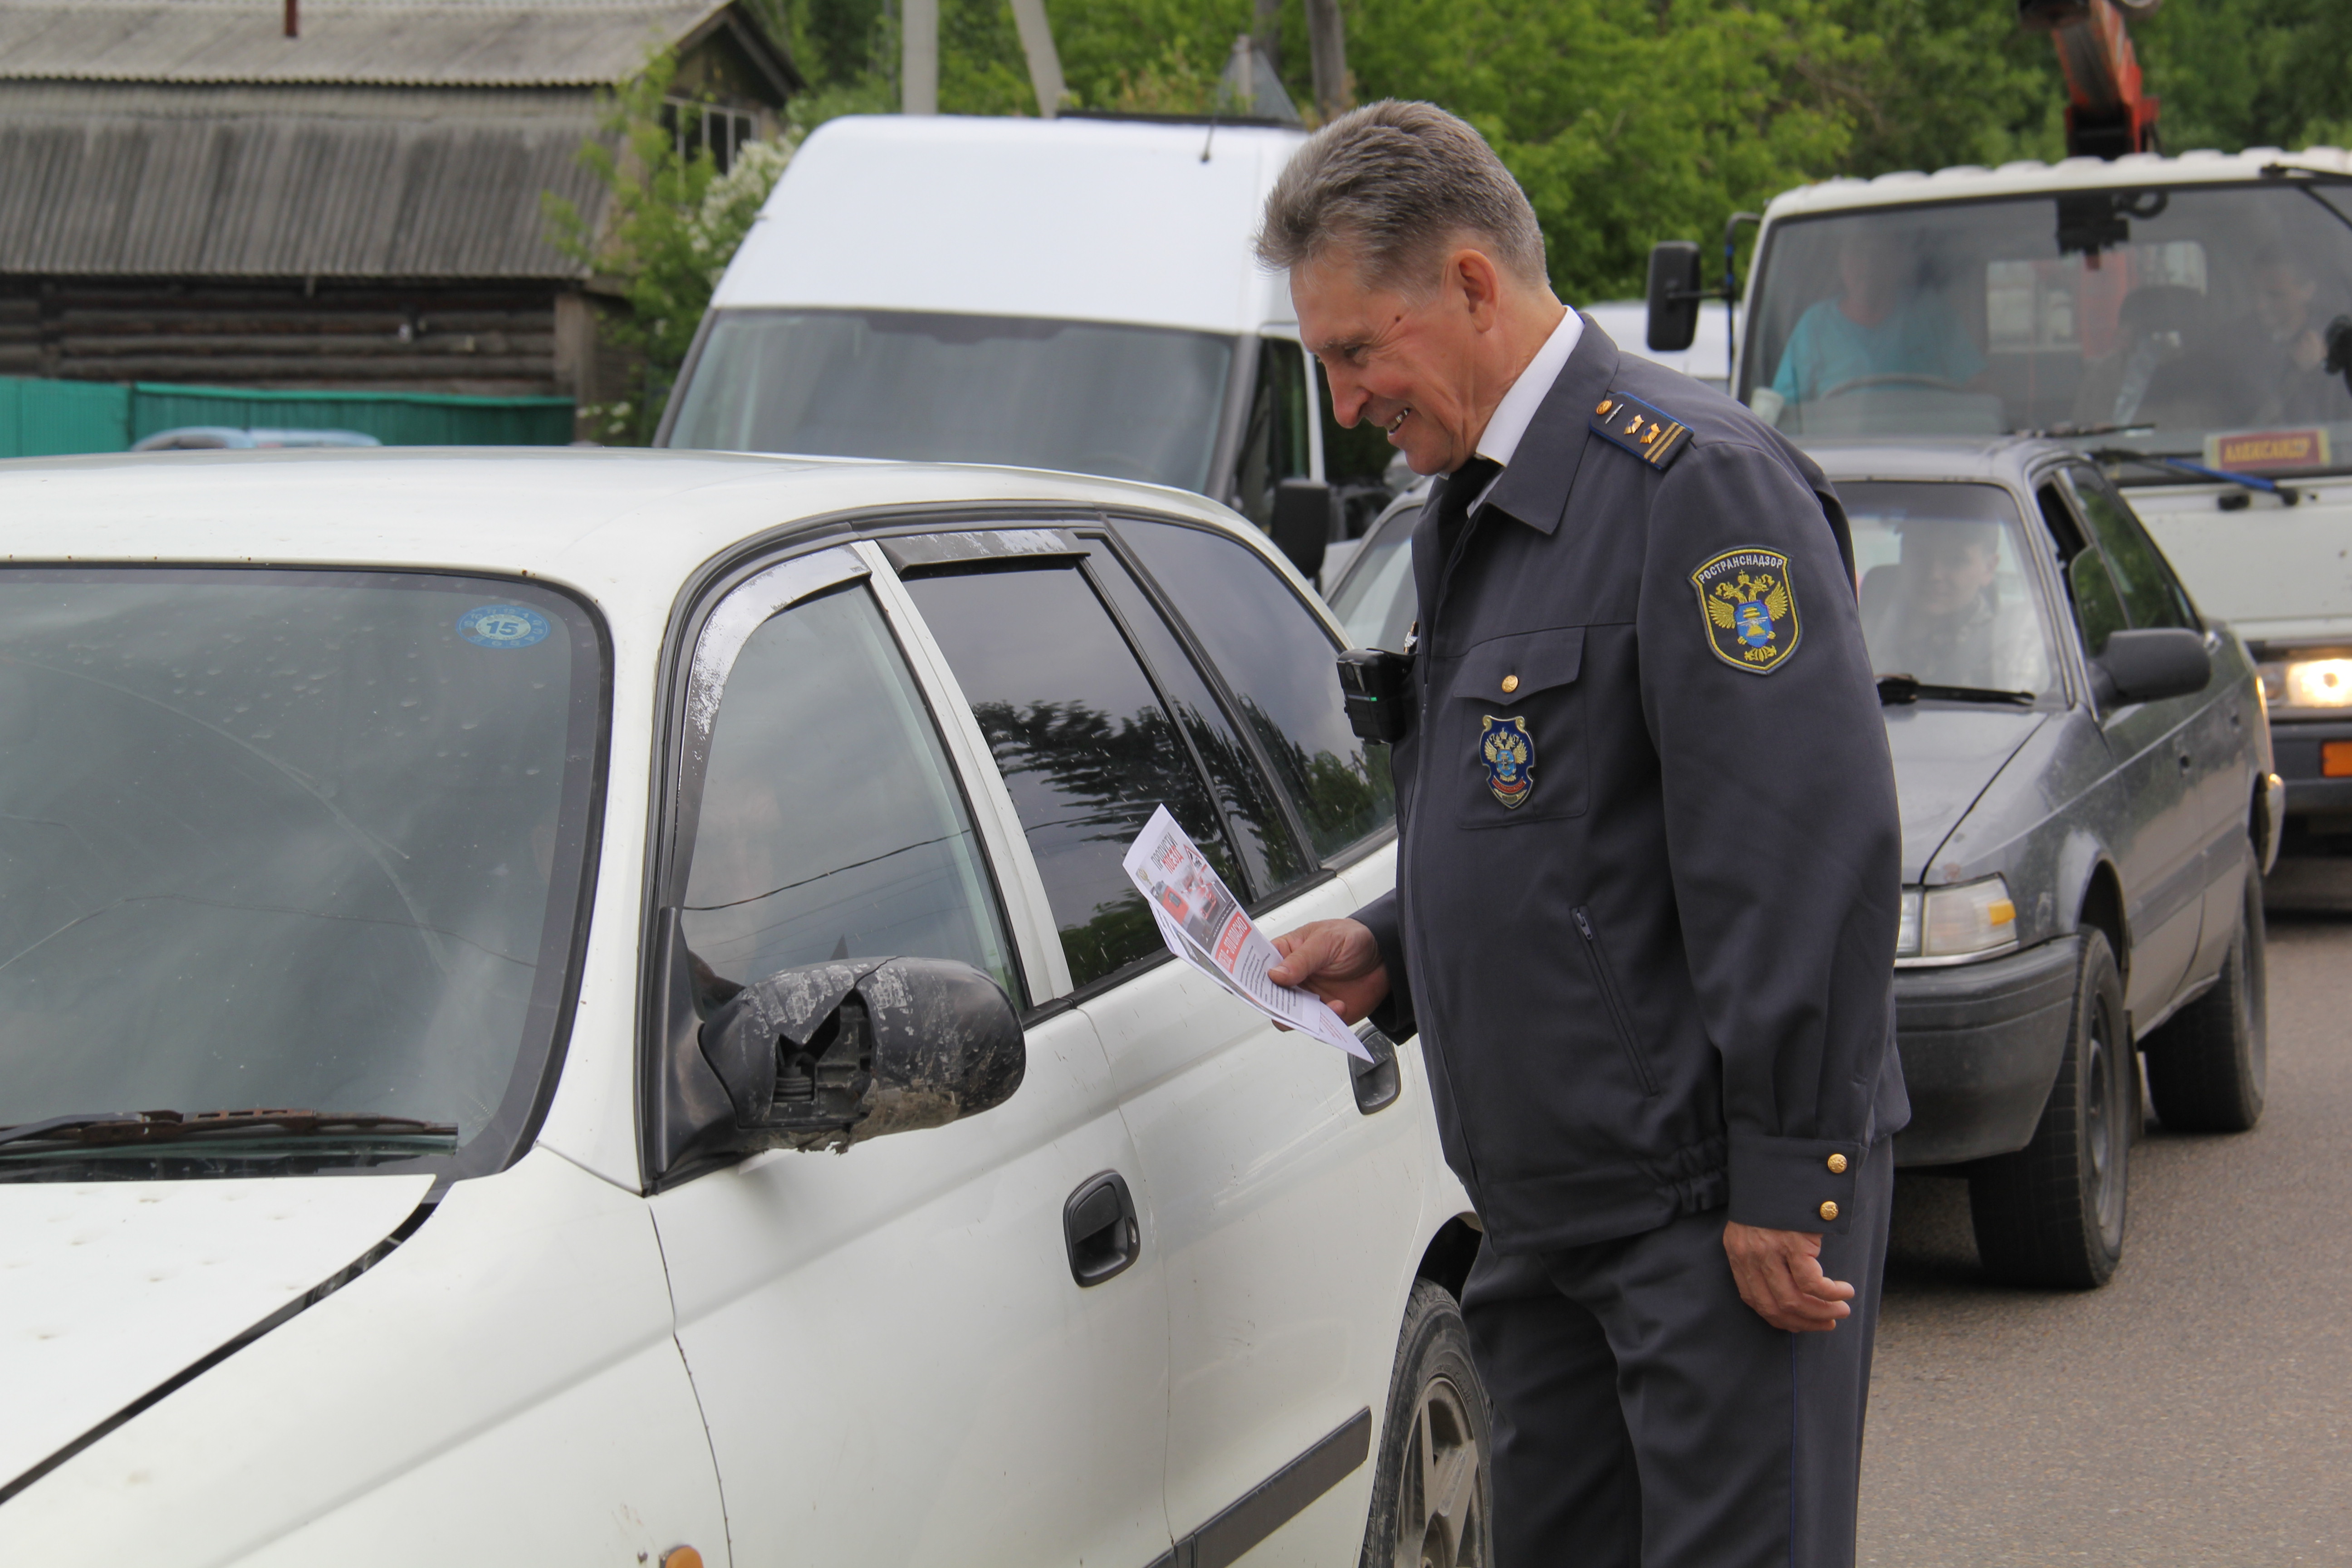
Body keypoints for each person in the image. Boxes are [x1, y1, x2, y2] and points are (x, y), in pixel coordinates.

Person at [1257, 102, 1906, 1566]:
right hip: (1548, 1205)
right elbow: (1542, 806)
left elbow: (1794, 846)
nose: (1348, 398)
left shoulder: (1697, 487)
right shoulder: (1473, 504)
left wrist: (1786, 1169)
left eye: (1360, 351)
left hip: (1702, 1206)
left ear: (1474, 284)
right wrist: (1394, 945)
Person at [1768, 226, 1985, 407]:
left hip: (1931, 446)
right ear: (1841, 261)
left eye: (1878, 253)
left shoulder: (1932, 314)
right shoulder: (1815, 325)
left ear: (1898, 262)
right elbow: (1785, 409)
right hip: (1836, 451)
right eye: (1857, 252)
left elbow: (1977, 385)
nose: (1868, 265)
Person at [1861, 519, 2049, 695]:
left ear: (1989, 568)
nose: (1933, 574)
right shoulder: (1859, 633)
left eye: (1955, 560)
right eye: (1919, 555)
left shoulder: (2007, 654)